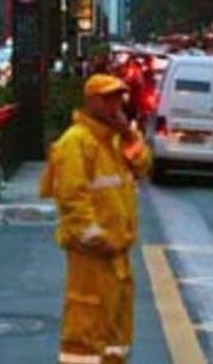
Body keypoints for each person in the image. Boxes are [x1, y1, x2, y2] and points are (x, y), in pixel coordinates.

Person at [40, 74, 152, 364]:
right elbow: (72, 201)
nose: (115, 104)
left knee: (115, 333)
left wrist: (128, 134)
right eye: (107, 98)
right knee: (86, 330)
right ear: (91, 101)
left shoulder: (115, 139)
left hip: (116, 254)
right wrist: (98, 240)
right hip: (92, 256)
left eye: (118, 98)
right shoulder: (75, 142)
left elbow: (143, 166)